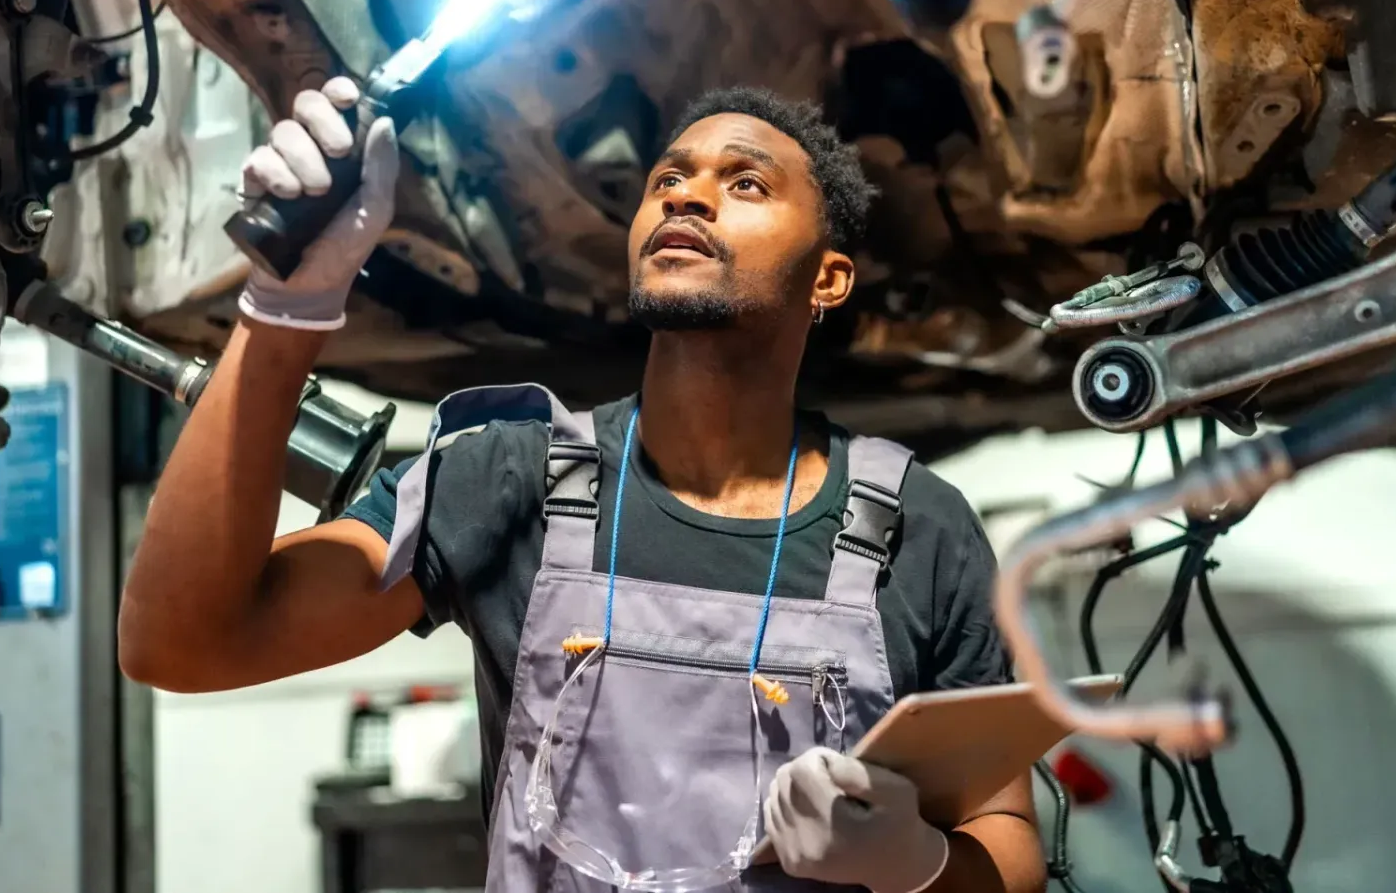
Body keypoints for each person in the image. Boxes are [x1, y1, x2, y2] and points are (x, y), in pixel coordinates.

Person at [119, 76, 1046, 893]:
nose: (690, 195)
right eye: (668, 179)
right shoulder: (509, 478)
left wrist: (919, 865)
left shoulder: (918, 529)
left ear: (830, 278)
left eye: (747, 181)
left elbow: (1005, 853)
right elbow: (184, 643)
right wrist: (285, 306)